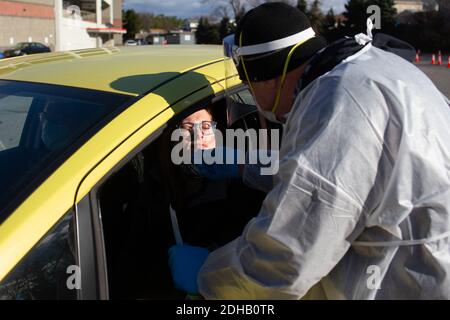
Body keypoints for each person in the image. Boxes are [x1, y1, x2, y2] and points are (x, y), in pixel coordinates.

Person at [168, 2, 450, 299]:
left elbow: (285, 259)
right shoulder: (369, 69)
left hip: (412, 281)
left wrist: (207, 274)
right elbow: (345, 176)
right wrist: (243, 167)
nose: (250, 94)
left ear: (265, 77)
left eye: (248, 84)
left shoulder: (337, 104)